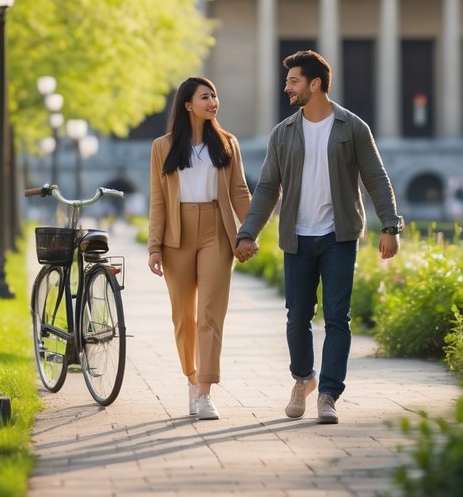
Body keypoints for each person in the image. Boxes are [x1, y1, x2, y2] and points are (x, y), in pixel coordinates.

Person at [234, 50, 403, 425]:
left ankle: (328, 394)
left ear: (315, 84)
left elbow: (376, 178)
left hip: (339, 236)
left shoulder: (351, 127)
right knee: (297, 319)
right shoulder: (283, 133)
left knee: (338, 318)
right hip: (297, 238)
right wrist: (247, 233)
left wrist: (390, 226)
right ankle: (303, 379)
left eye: (293, 81)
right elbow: (266, 189)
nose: (286, 87)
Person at [148, 76, 251, 421]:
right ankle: (191, 379)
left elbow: (239, 192)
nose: (213, 102)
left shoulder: (227, 143)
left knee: (210, 313)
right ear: (188, 104)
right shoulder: (162, 147)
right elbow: (158, 201)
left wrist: (249, 230)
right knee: (184, 317)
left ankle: (205, 391)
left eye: (215, 96)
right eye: (206, 97)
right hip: (176, 236)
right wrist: (154, 246)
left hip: (216, 233)